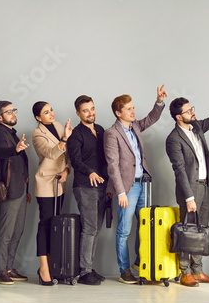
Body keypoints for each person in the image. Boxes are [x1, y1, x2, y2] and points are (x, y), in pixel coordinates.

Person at [165, 83, 209, 287]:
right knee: (187, 231)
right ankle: (185, 272)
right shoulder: (173, 139)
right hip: (190, 191)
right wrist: (189, 197)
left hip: (205, 186)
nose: (192, 112)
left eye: (192, 109)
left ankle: (198, 270)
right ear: (178, 116)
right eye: (188, 111)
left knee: (200, 231)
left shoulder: (198, 127)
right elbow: (180, 171)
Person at [104, 85, 167, 284]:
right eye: (129, 109)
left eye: (133, 107)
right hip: (127, 189)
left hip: (143, 185)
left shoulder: (135, 127)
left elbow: (151, 118)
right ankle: (124, 270)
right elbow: (112, 166)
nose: (133, 111)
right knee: (124, 230)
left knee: (146, 226)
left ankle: (141, 262)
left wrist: (158, 102)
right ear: (118, 113)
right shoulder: (111, 133)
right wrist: (120, 192)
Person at [67, 95, 108, 285]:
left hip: (102, 186)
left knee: (96, 229)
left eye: (92, 108)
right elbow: (76, 160)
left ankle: (89, 267)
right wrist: (90, 172)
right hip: (85, 186)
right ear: (78, 113)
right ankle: (84, 272)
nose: (90, 113)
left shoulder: (99, 130)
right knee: (89, 229)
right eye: (85, 110)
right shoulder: (76, 134)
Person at [31, 101, 72, 286]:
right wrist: (64, 139)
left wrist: (67, 171)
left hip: (59, 182)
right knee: (45, 225)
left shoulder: (57, 126)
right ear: (38, 117)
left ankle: (52, 264)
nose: (51, 114)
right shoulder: (37, 134)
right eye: (46, 112)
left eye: (51, 110)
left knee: (55, 225)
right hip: (46, 183)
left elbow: (66, 155)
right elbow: (50, 153)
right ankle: (43, 268)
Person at [0, 101, 31, 285]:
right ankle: (1, 271)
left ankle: (9, 268)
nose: (13, 113)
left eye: (14, 110)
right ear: (0, 117)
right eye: (9, 112)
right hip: (9, 190)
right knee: (6, 233)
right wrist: (15, 149)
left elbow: (20, 165)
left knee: (17, 231)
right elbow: (1, 152)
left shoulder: (12, 134)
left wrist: (27, 189)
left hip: (20, 189)